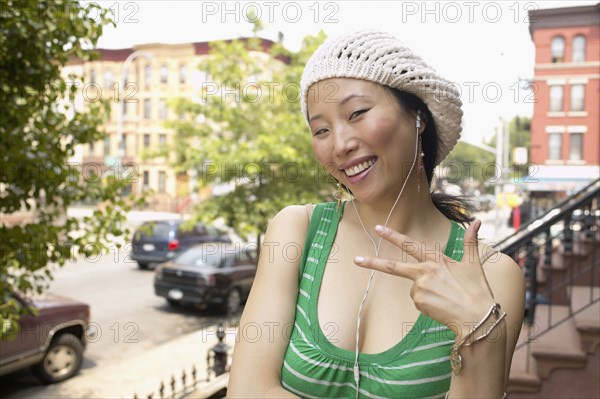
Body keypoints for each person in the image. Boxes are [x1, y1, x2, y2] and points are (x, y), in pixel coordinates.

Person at [227, 30, 525, 399]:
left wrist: (476, 331)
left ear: (419, 117)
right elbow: (247, 391)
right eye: (321, 129)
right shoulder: (296, 231)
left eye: (358, 113)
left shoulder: (493, 276)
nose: (340, 144)